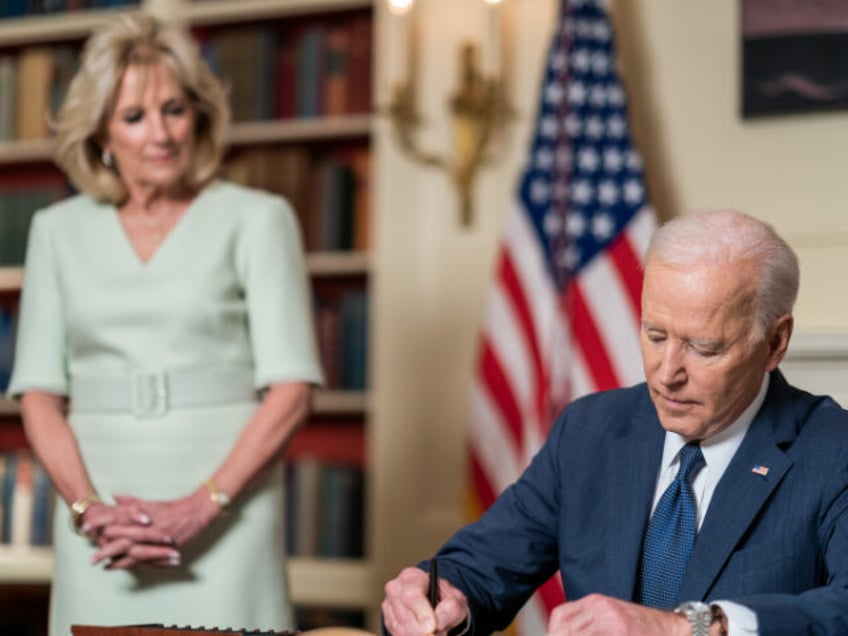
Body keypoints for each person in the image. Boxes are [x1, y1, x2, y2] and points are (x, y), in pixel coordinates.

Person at [382, 209, 848, 636]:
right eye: (655, 335)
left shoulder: (832, 450)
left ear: (774, 342)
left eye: (704, 348)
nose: (667, 373)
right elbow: (483, 566)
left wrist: (692, 627)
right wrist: (440, 595)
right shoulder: (590, 431)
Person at [8, 11, 323, 636]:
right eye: (135, 117)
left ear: (199, 116)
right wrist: (87, 509)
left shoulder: (258, 219)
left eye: (175, 110)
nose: (161, 133)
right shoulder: (55, 232)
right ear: (102, 133)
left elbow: (292, 391)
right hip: (99, 519)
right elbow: (38, 394)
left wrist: (199, 507)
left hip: (229, 509)